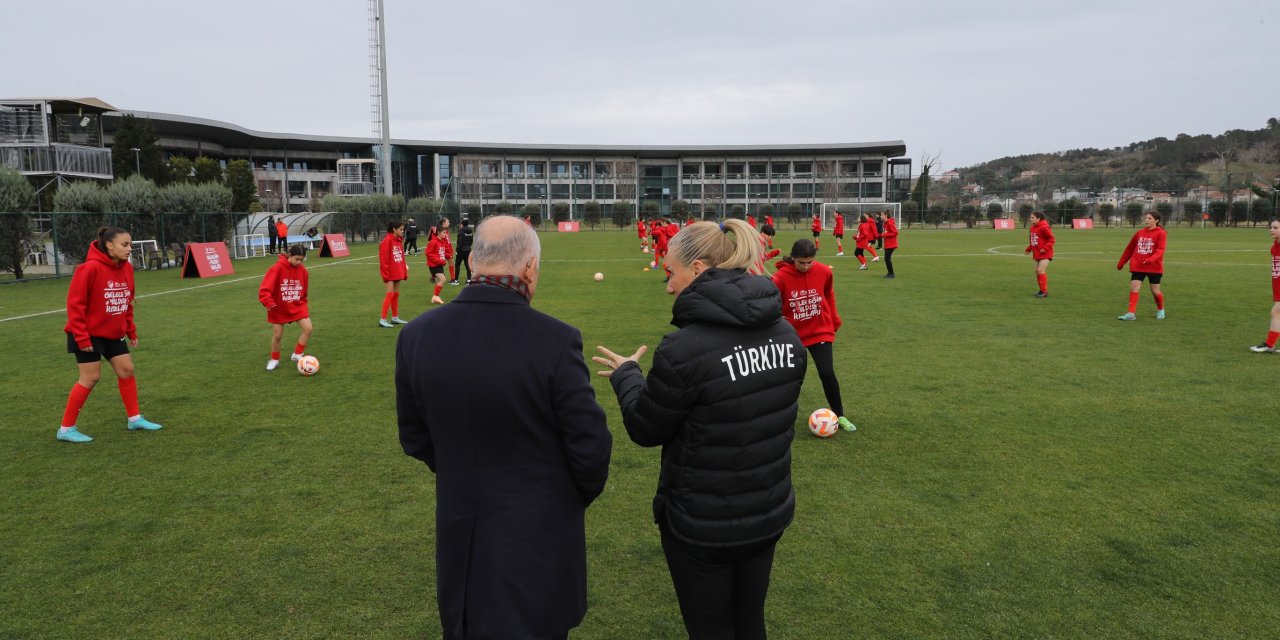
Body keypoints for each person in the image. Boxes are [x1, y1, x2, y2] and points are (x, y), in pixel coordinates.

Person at [396, 215, 612, 640]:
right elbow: (591, 451)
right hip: (538, 543)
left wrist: (465, 473)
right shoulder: (555, 339)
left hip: (463, 535)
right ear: (530, 268)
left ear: (473, 261)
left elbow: (416, 437)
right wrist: (553, 499)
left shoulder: (417, 335)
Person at [593, 219, 806, 640]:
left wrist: (627, 375)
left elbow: (645, 427)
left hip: (703, 525)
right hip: (766, 513)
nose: (668, 285)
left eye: (670, 273)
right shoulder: (786, 334)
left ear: (696, 267)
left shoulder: (684, 349)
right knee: (749, 622)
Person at [57, 226, 163, 443]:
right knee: (90, 377)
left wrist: (130, 329)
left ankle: (134, 419)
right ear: (109, 245)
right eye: (125, 245)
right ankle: (66, 429)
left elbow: (127, 301)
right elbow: (75, 306)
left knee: (127, 370)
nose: (129, 249)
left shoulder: (127, 268)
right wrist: (82, 337)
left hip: (113, 332)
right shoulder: (88, 269)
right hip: (87, 333)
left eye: (130, 245)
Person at [772, 238, 857, 432]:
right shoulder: (780, 278)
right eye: (802, 262)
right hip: (793, 334)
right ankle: (783, 419)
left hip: (820, 330)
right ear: (793, 258)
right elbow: (774, 308)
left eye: (810, 262)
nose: (806, 266)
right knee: (792, 378)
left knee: (827, 373)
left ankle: (840, 415)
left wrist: (834, 319)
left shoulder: (824, 271)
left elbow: (829, 294)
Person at [258, 244, 313, 371]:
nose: (299, 262)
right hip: (278, 307)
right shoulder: (277, 268)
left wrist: (302, 303)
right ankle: (274, 359)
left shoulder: (303, 271)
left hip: (297, 305)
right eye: (297, 259)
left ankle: (297, 354)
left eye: (301, 259)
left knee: (308, 329)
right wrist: (268, 302)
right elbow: (265, 289)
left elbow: (304, 291)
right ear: (290, 255)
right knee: (277, 335)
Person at [1116, 211, 1167, 321]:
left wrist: (1150, 260)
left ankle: (1161, 310)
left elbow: (1160, 250)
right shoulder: (1139, 233)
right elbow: (1129, 249)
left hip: (1154, 267)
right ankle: (1131, 313)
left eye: (1149, 218)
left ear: (1156, 220)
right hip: (1138, 266)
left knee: (1155, 291)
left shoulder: (1161, 233)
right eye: (1146, 218)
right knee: (1134, 287)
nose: (1146, 220)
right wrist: (1121, 262)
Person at [1249, 219, 1280, 352]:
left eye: (1275, 227)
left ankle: (1269, 344)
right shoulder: (1274, 248)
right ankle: (1270, 344)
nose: (1271, 230)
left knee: (1276, 312)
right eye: (1271, 227)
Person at [378, 220, 410, 328]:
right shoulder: (387, 241)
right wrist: (386, 275)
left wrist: (404, 271)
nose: (402, 231)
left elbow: (402, 258)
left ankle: (395, 317)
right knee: (390, 294)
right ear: (394, 230)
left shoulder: (399, 240)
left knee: (396, 295)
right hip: (389, 273)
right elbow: (384, 260)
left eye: (403, 229)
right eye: (400, 229)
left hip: (397, 272)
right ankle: (382, 320)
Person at [1024, 211, 1055, 297]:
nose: (1031, 219)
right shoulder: (1032, 228)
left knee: (1040, 270)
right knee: (1037, 272)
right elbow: (1033, 241)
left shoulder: (1044, 227)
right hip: (1037, 253)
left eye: (1032, 218)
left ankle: (1044, 292)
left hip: (1046, 253)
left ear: (1038, 218)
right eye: (1030, 217)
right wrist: (1029, 249)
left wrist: (1045, 248)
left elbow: (1051, 239)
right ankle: (1041, 290)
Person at [425, 218, 454, 304]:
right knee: (443, 279)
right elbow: (428, 253)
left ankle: (436, 296)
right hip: (434, 265)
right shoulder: (433, 242)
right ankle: (435, 297)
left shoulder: (442, 242)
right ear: (438, 233)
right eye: (444, 233)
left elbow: (442, 252)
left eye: (445, 233)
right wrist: (439, 261)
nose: (445, 235)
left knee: (441, 281)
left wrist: (448, 255)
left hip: (439, 264)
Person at [451, 218, 474, 285]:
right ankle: (469, 280)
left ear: (462, 224)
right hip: (468, 250)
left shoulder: (461, 232)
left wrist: (457, 250)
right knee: (467, 265)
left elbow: (460, 242)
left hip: (461, 250)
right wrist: (468, 246)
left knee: (457, 265)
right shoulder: (470, 231)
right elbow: (471, 241)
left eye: (460, 224)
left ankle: (456, 281)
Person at [880, 211, 899, 279]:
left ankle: (891, 274)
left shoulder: (890, 223)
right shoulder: (885, 223)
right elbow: (887, 232)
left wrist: (886, 234)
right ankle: (890, 273)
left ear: (886, 215)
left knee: (887, 258)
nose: (880, 216)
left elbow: (895, 232)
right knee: (887, 258)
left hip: (891, 244)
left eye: (882, 215)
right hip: (888, 243)